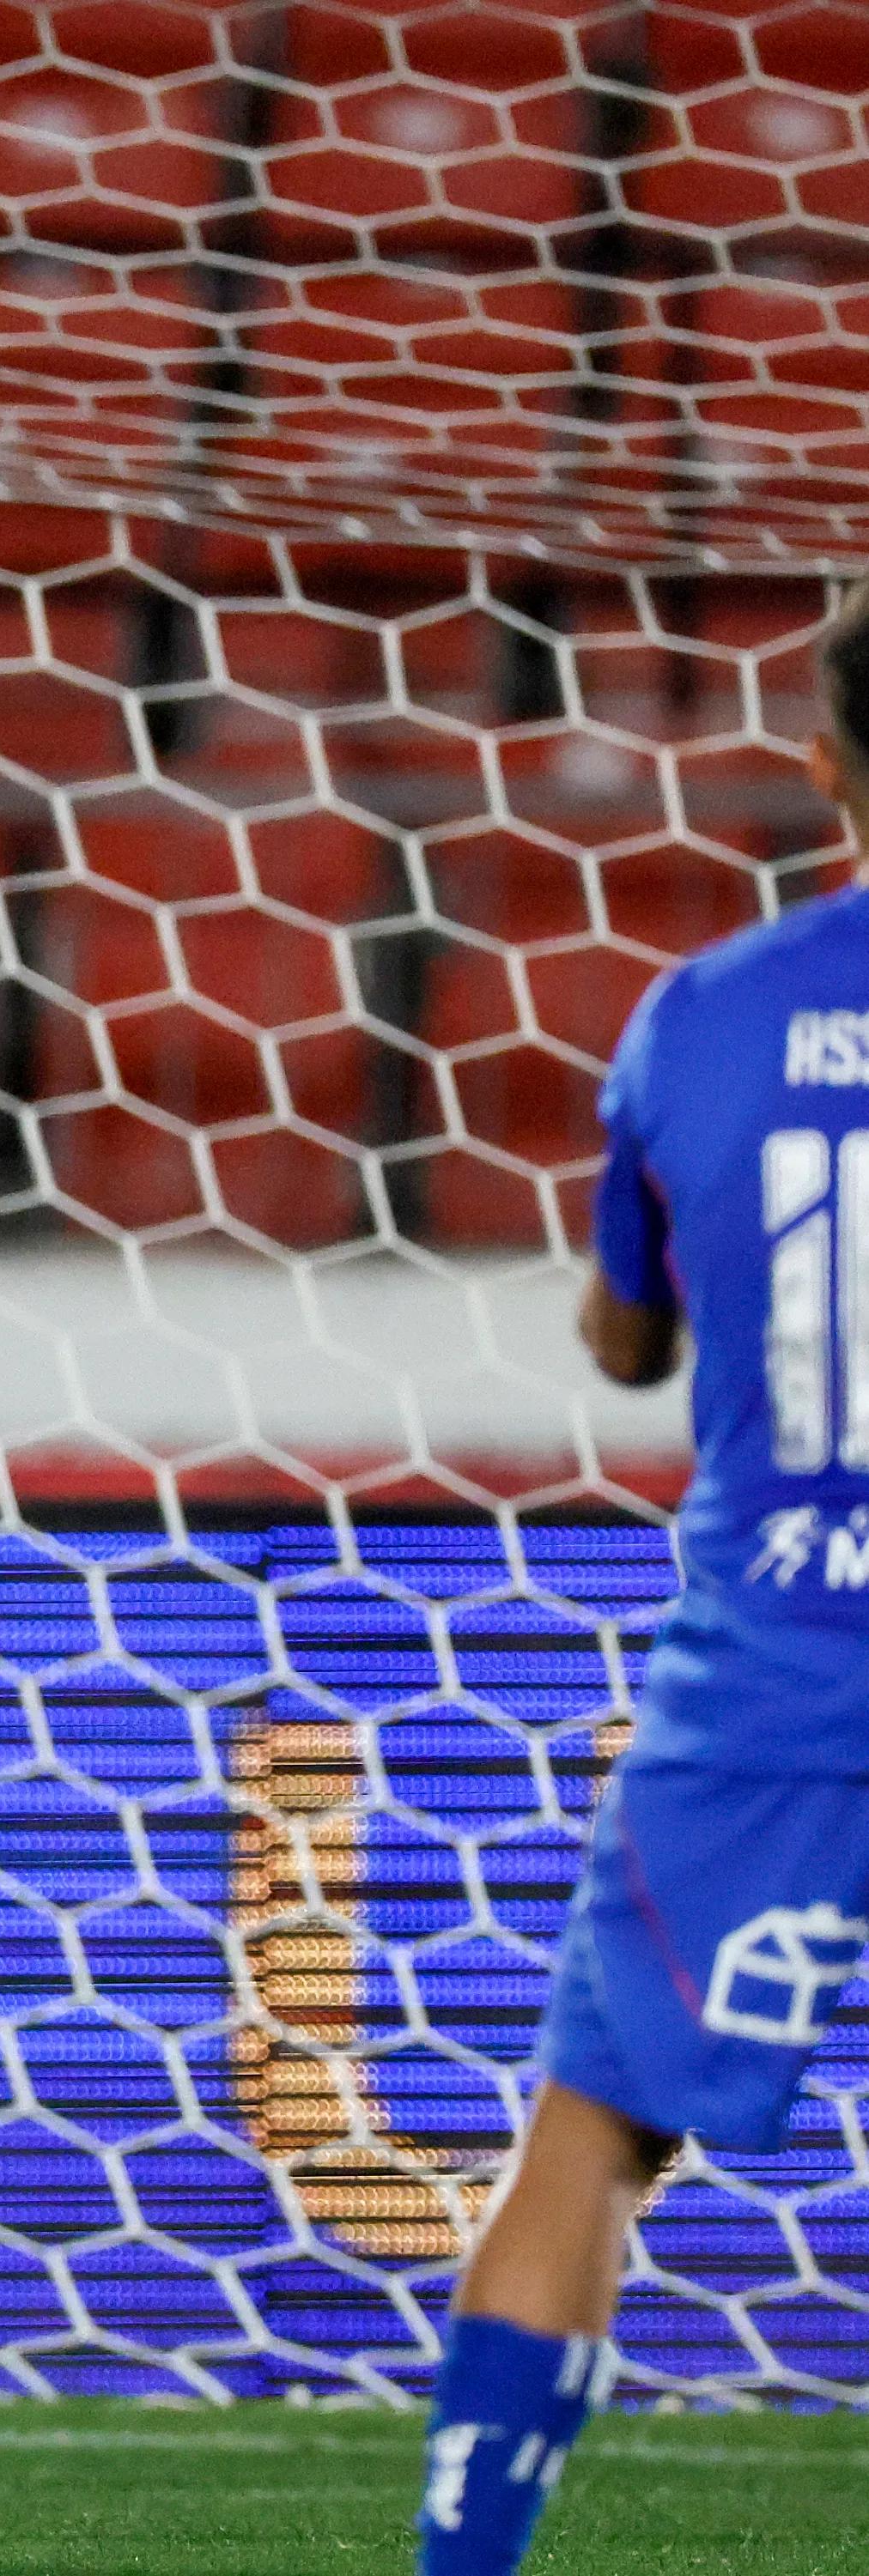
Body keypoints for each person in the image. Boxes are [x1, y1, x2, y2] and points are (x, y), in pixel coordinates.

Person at [410, 594, 869, 2574]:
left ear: (831, 763)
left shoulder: (708, 1008)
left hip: (777, 1645)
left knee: (590, 2122)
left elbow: (625, 1343)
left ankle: (466, 2561)